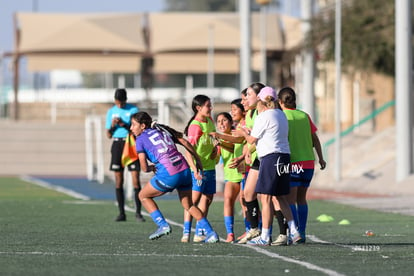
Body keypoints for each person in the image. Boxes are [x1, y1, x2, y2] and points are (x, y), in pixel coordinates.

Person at [130, 111, 219, 243]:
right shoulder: (161, 130)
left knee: (143, 195)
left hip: (169, 173)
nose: (131, 128)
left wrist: (151, 168)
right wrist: (198, 161)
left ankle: (162, 225)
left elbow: (143, 167)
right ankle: (211, 233)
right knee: (189, 205)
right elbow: (185, 142)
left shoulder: (140, 139)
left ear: (143, 126)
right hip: (185, 170)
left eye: (133, 125)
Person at [233, 86, 301, 245]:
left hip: (270, 158)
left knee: (266, 198)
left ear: (260, 100)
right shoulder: (281, 114)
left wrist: (243, 132)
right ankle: (294, 231)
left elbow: (251, 141)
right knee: (281, 197)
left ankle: (264, 236)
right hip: (284, 157)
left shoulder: (263, 116)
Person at [272, 87, 326, 245]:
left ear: (280, 102)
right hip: (308, 163)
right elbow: (315, 139)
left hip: (292, 163)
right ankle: (301, 230)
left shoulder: (282, 117)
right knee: (302, 199)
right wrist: (321, 158)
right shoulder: (304, 116)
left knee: (290, 200)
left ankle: (294, 232)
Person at [182, 95, 218, 243]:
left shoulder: (210, 121)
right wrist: (195, 170)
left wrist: (216, 148)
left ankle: (199, 232)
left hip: (210, 167)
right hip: (198, 169)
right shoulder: (195, 127)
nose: (210, 108)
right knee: (192, 201)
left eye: (210, 105)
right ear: (199, 108)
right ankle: (186, 232)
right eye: (208, 105)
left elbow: (211, 143)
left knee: (207, 199)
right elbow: (188, 151)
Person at [105, 88, 144, 222]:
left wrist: (123, 123)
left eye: (121, 103)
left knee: (135, 178)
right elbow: (108, 135)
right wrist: (113, 126)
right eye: (117, 103)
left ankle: (138, 212)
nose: (119, 105)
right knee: (118, 179)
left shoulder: (133, 110)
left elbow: (136, 131)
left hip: (130, 144)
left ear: (125, 100)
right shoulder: (111, 112)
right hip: (117, 145)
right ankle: (122, 213)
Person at [214, 112, 243, 243]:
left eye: (224, 120)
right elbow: (215, 159)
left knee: (246, 204)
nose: (221, 123)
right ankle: (230, 233)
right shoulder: (220, 138)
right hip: (230, 176)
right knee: (227, 200)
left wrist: (220, 141)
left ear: (231, 122)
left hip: (242, 173)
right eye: (219, 121)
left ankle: (253, 228)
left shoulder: (235, 134)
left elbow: (232, 147)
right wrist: (212, 150)